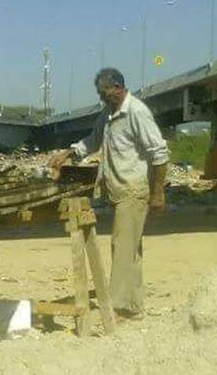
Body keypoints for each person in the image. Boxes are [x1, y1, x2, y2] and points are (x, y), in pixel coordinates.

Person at [49, 68, 169, 320]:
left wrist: (158, 194)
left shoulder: (136, 112)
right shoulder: (109, 113)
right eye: (100, 94)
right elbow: (93, 140)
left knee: (121, 245)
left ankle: (115, 307)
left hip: (134, 189)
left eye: (105, 93)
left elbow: (159, 153)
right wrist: (67, 154)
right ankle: (133, 307)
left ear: (118, 87)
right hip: (119, 188)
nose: (103, 98)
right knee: (130, 249)